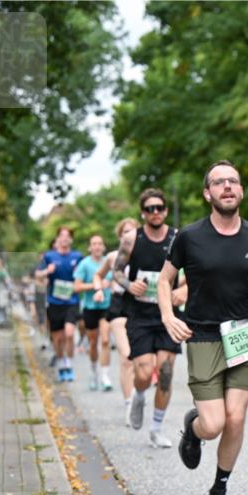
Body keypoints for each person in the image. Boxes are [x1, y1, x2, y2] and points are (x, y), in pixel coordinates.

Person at [160, 160, 248, 495]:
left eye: (233, 181)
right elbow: (165, 280)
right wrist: (168, 316)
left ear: (241, 191)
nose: (227, 186)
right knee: (213, 425)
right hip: (204, 336)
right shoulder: (190, 237)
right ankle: (193, 429)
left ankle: (219, 490)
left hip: (242, 336)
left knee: (236, 419)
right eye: (219, 182)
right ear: (207, 193)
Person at [112, 188, 184, 448]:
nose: (155, 212)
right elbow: (117, 271)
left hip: (169, 317)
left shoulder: (178, 238)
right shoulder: (132, 238)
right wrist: (129, 285)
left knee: (165, 372)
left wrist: (182, 290)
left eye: (160, 208)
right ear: (143, 212)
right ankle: (139, 395)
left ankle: (156, 429)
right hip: (140, 315)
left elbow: (194, 272)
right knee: (143, 372)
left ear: (165, 211)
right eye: (150, 208)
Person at [96, 218, 141, 423]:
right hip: (119, 306)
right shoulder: (113, 256)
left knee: (143, 362)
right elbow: (99, 275)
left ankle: (138, 394)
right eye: (125, 232)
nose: (129, 235)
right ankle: (129, 404)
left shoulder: (147, 255)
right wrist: (98, 289)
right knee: (126, 357)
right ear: (120, 236)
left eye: (133, 231)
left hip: (141, 307)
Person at [35, 228, 83, 382]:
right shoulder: (49, 256)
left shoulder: (77, 256)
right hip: (54, 302)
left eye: (67, 236)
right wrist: (46, 272)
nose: (64, 239)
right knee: (57, 338)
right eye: (61, 236)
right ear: (57, 239)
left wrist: (79, 275)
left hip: (72, 301)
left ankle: (68, 363)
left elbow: (83, 275)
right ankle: (62, 363)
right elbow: (37, 275)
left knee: (69, 334)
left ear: (71, 240)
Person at [74, 235, 113, 391]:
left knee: (105, 341)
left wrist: (109, 283)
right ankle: (94, 373)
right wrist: (95, 286)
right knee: (93, 344)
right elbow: (76, 287)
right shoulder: (84, 264)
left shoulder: (108, 262)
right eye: (94, 244)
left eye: (99, 244)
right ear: (90, 248)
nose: (97, 246)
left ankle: (105, 376)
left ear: (103, 247)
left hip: (106, 306)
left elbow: (117, 280)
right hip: (90, 307)